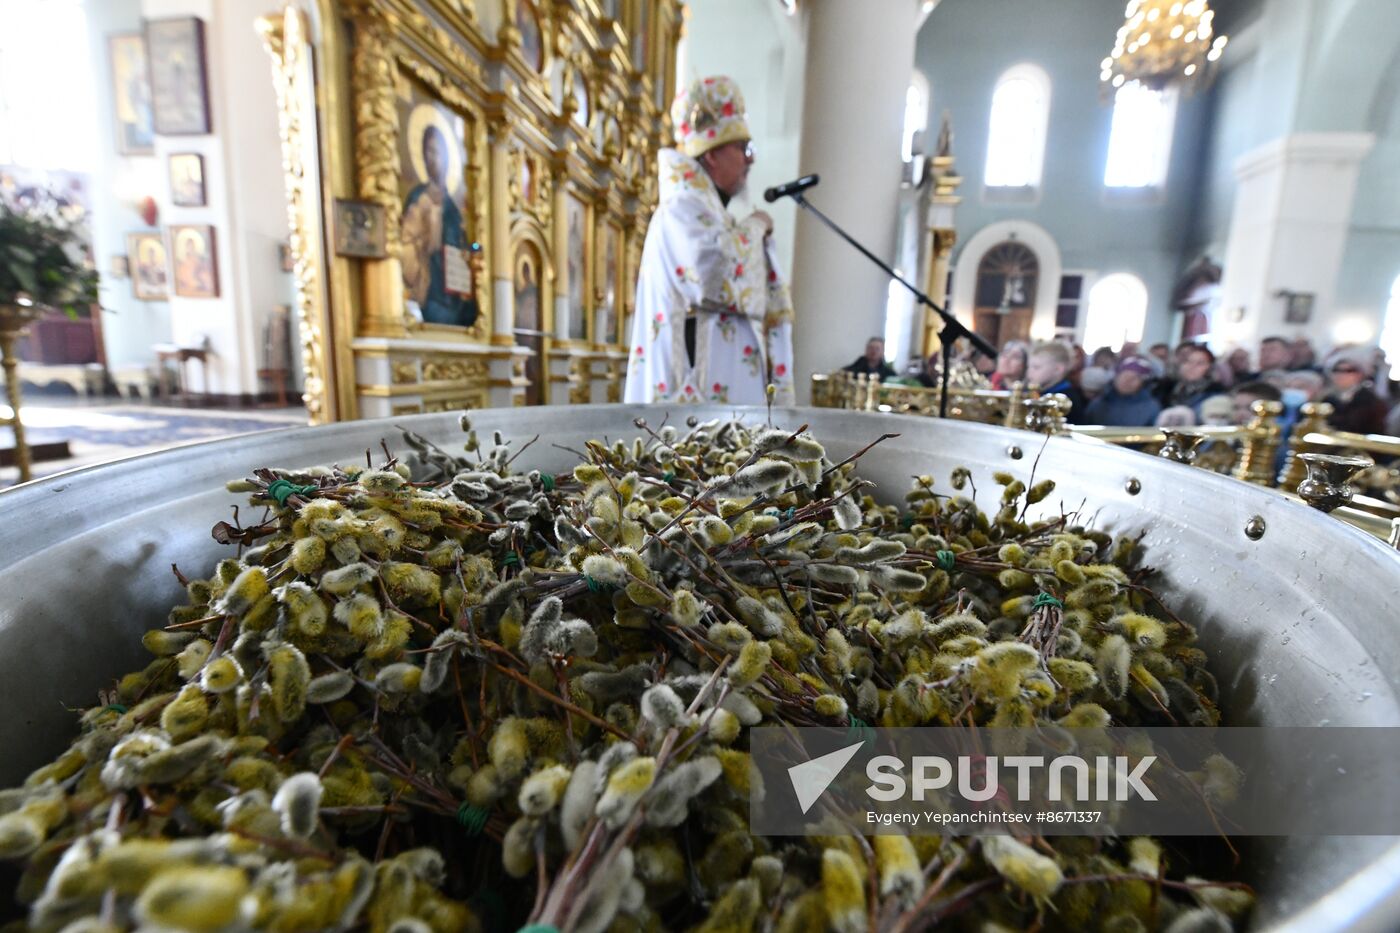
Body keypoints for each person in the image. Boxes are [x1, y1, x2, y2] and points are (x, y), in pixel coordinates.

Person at [624, 76, 795, 405]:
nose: (750, 159)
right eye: (742, 148)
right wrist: (755, 226)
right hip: (690, 397)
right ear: (712, 155)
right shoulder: (682, 208)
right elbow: (711, 273)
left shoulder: (709, 213)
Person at [401, 123, 478, 327]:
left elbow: (467, 245)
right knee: (440, 316)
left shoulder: (454, 206)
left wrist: (469, 253)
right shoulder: (419, 198)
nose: (430, 158)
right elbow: (406, 242)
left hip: (457, 289)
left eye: (435, 151)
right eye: (427, 151)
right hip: (430, 289)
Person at [1322, 347, 1388, 434]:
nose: (1341, 375)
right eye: (1336, 370)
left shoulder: (1371, 401)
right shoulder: (1326, 399)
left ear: (1361, 374)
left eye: (1349, 371)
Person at [1084, 357, 1162, 427]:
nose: (1127, 381)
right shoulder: (1099, 403)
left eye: (1134, 378)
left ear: (1143, 383)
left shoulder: (1151, 408)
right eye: (1124, 375)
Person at [1156, 344, 1226, 417]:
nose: (1192, 366)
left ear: (1209, 368)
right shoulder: (1165, 389)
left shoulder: (1216, 394)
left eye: (1200, 363)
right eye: (1188, 361)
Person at [1026, 341, 1085, 422]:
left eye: (1036, 367)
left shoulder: (1067, 400)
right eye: (1028, 367)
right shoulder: (1036, 391)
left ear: (1058, 369)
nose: (1029, 372)